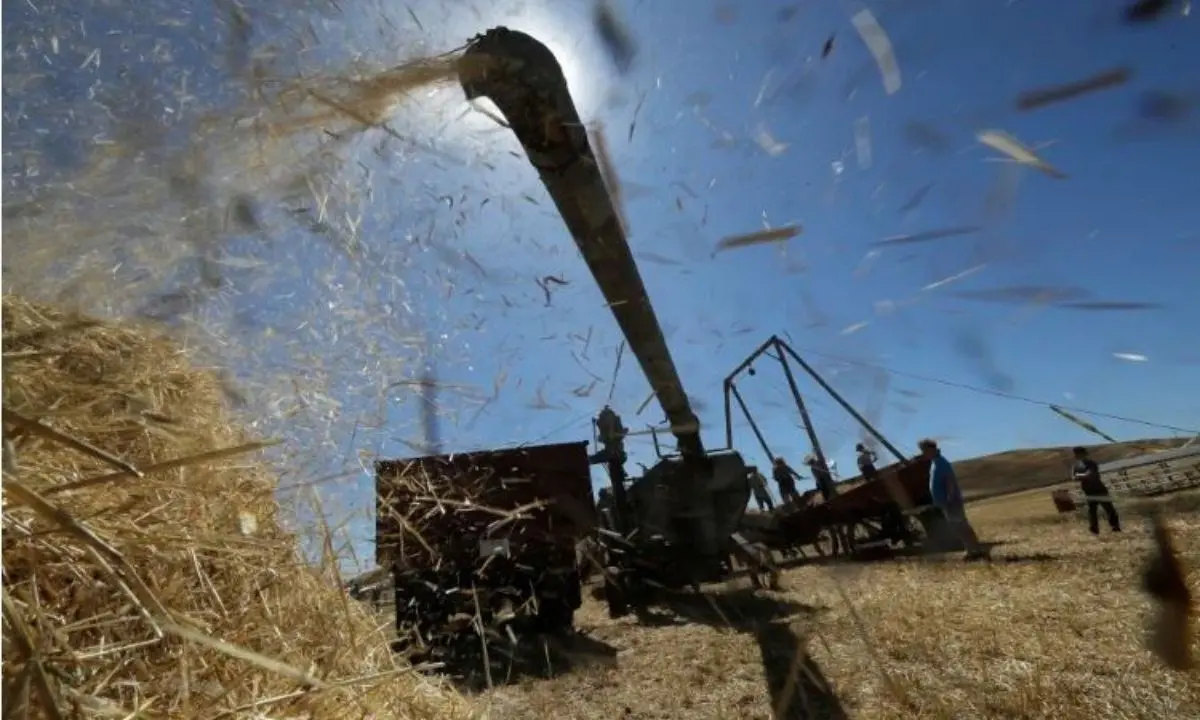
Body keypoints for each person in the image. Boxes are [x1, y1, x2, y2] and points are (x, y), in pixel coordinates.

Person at [919, 438, 987, 560]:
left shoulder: (941, 463)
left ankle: (976, 550)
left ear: (931, 449)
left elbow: (949, 480)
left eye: (924, 450)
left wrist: (949, 499)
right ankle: (971, 551)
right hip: (947, 502)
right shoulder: (936, 462)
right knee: (959, 528)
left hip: (951, 502)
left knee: (962, 526)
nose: (923, 453)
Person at [1072, 446, 1121, 535]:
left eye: (1078, 453)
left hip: (1099, 489)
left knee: (1108, 508)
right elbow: (1073, 477)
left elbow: (1090, 475)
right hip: (1088, 491)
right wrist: (1080, 476)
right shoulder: (1076, 466)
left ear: (1083, 454)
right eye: (1075, 454)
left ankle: (1115, 526)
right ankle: (1094, 529)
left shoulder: (1092, 463)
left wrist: (1079, 475)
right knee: (1092, 511)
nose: (1076, 456)